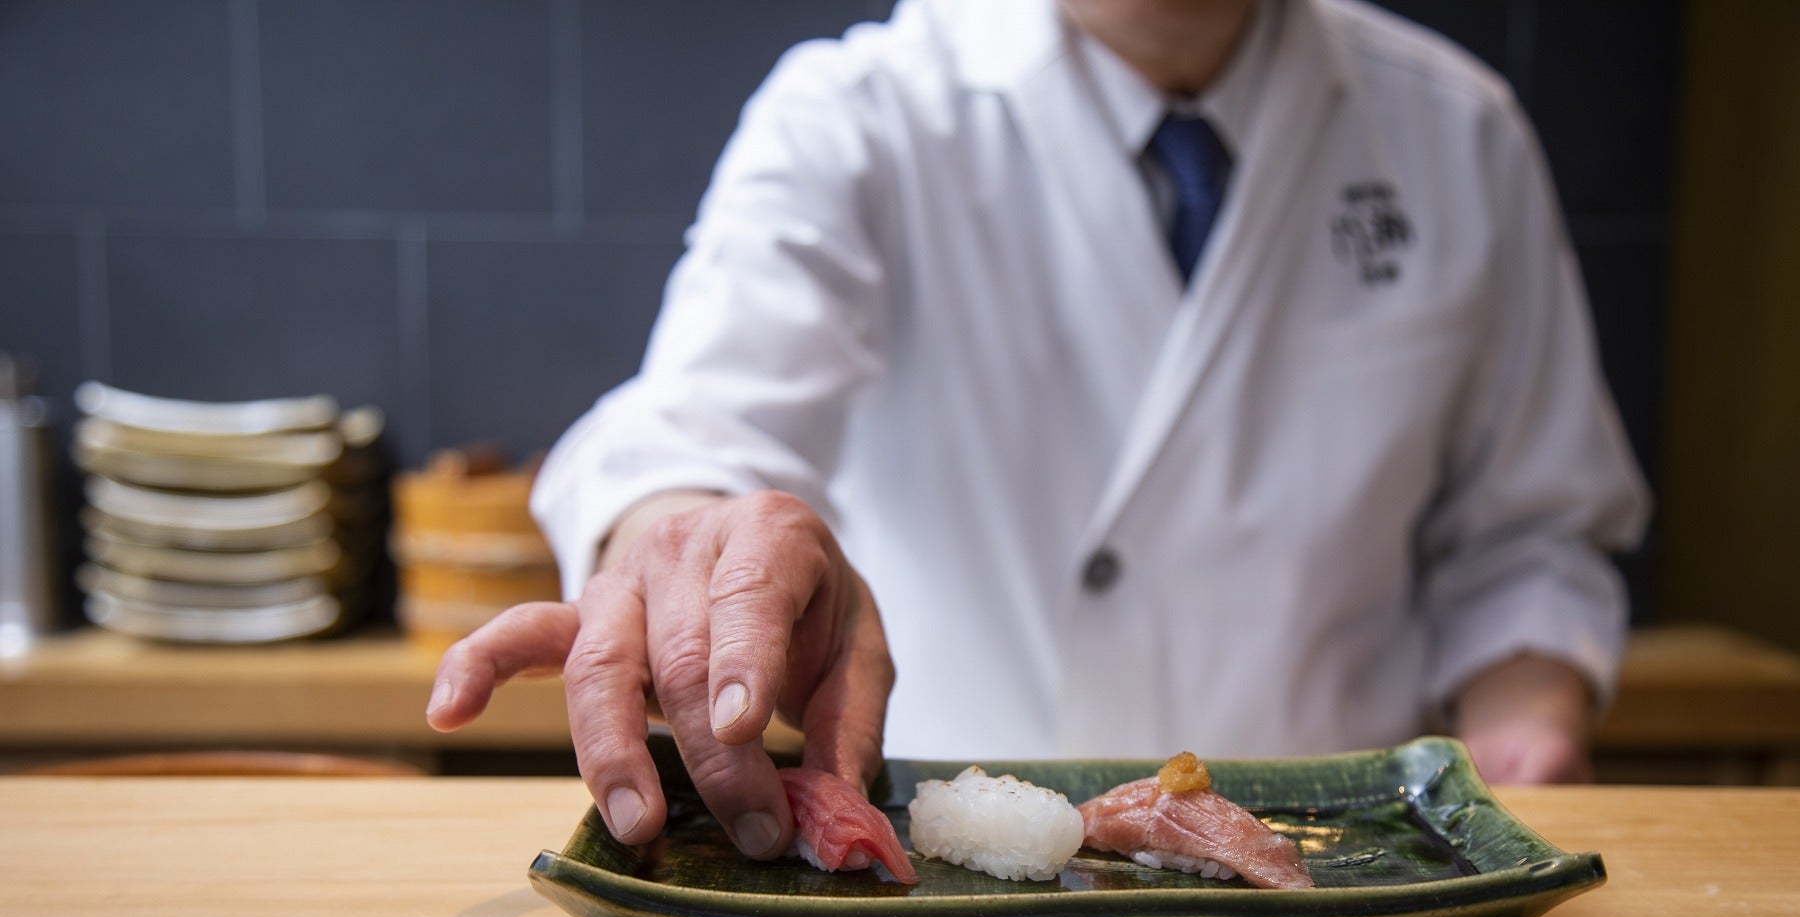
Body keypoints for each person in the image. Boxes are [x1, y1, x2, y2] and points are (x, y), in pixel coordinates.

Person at [427, 0, 1649, 863]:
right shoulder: (859, 113)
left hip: (1343, 883)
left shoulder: (1458, 129)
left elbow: (1528, 536)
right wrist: (692, 545)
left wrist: (1527, 724)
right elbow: (697, 429)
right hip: (954, 894)